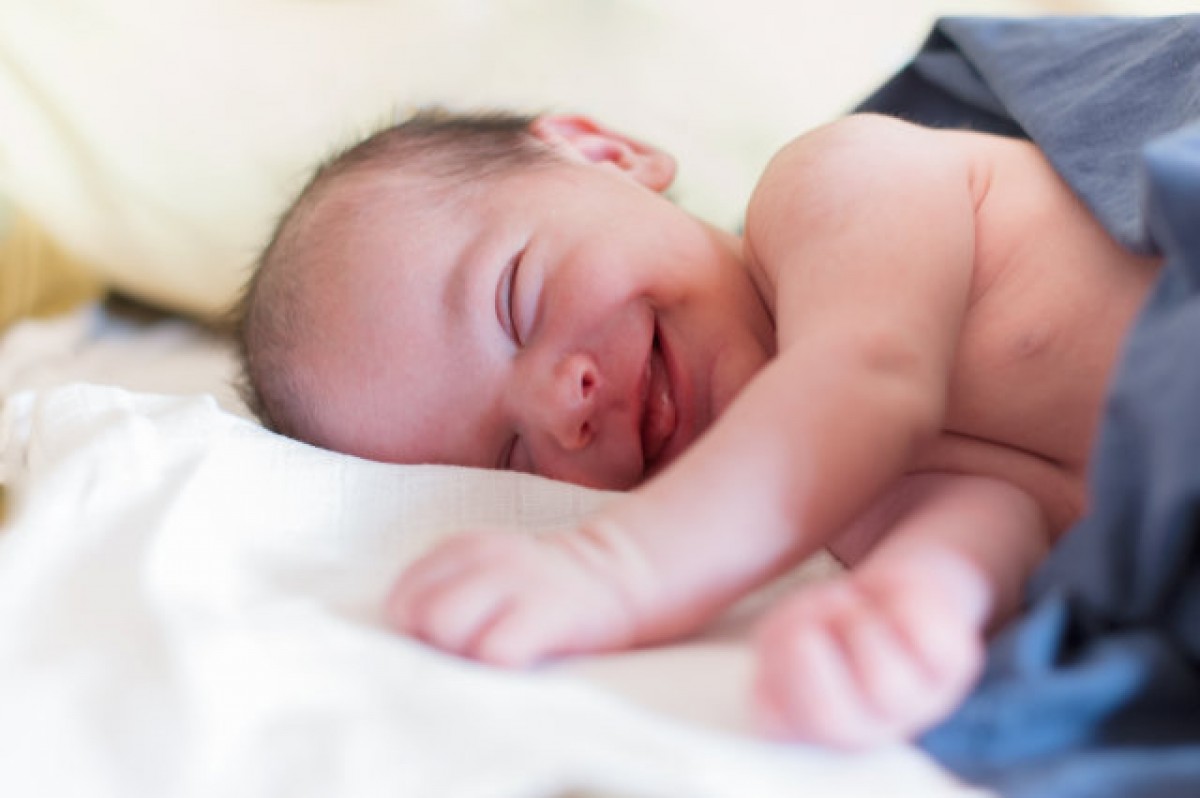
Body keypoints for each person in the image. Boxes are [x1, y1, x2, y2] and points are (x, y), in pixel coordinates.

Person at [234, 108, 1160, 747]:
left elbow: (873, 376)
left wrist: (616, 568)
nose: (566, 406)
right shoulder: (829, 503)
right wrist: (908, 613)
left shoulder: (829, 184)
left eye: (519, 301)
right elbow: (1006, 518)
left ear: (603, 153)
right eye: (513, 455)